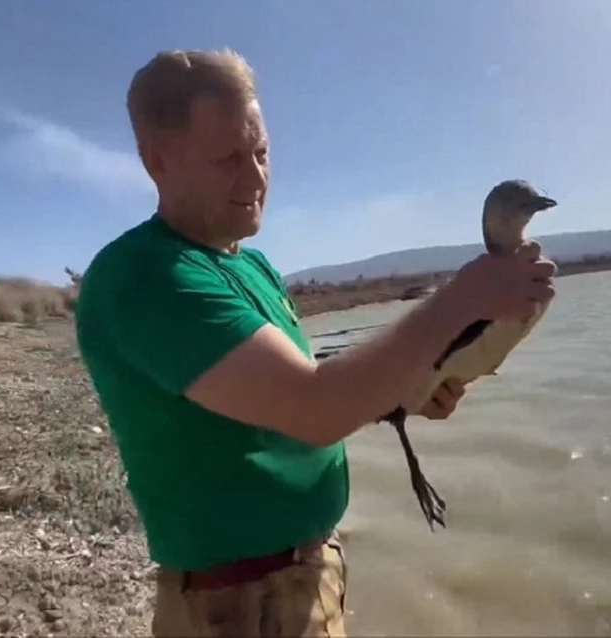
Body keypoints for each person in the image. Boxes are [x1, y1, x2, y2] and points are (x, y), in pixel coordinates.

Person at [74, 47, 557, 638]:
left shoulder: (253, 267)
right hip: (240, 603)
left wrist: (400, 390)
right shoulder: (146, 276)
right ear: (157, 162)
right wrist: (463, 298)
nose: (254, 178)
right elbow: (313, 408)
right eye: (227, 158)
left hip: (301, 575)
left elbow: (284, 390)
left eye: (261, 152)